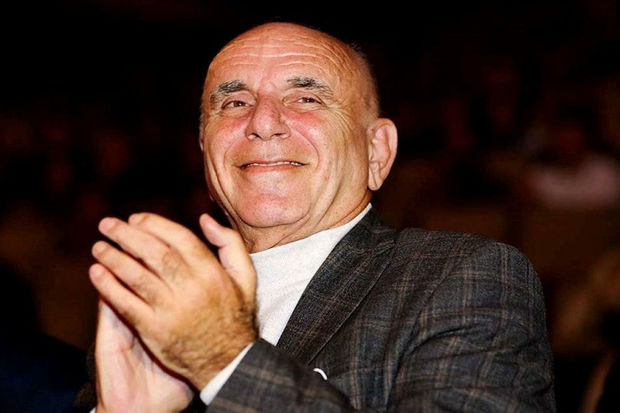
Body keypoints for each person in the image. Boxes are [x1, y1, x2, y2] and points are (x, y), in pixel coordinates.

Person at [74, 22, 555, 412]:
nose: (262, 122)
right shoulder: (153, 303)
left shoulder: (458, 277)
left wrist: (223, 360)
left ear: (377, 151)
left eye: (306, 98)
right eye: (235, 102)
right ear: (204, 150)